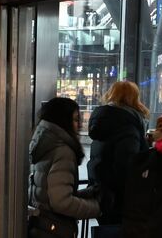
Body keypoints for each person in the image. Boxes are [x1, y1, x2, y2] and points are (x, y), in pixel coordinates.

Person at [28, 97, 100, 238]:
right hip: (55, 229)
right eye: (75, 119)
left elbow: (50, 192)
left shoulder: (45, 143)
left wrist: (87, 193)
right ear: (63, 121)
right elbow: (61, 202)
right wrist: (96, 208)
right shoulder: (63, 151)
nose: (79, 125)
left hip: (41, 226)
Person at [87, 81, 149, 225]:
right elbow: (127, 165)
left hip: (101, 192)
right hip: (120, 199)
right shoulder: (127, 127)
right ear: (134, 98)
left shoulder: (102, 121)